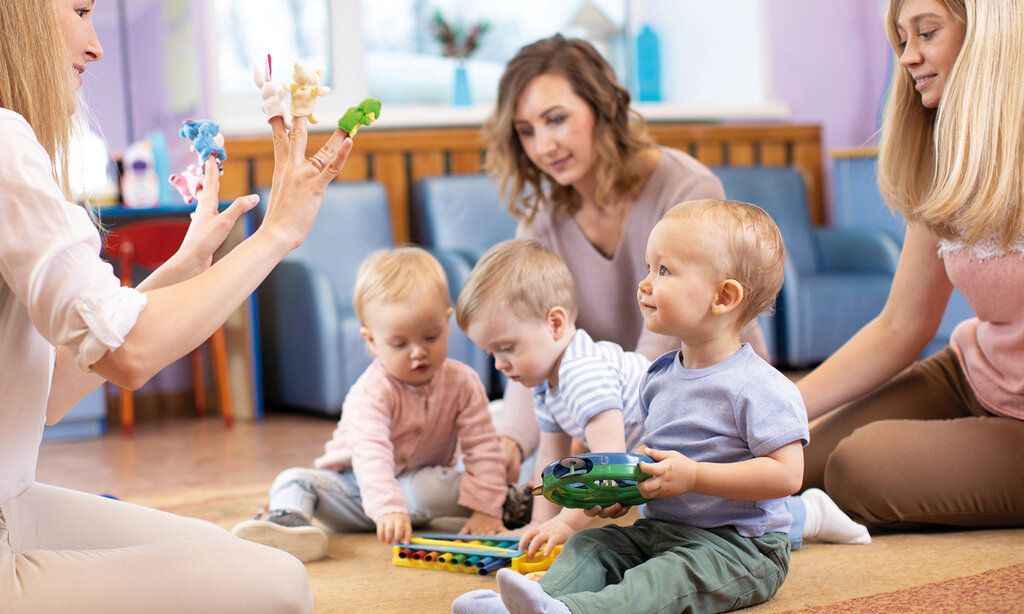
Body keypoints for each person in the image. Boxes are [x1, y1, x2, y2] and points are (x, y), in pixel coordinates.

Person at [1, 1, 355, 611]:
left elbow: (48, 391)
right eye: (81, 10)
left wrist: (181, 272)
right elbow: (131, 355)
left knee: (231, 558)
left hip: (13, 498)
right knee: (279, 587)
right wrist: (278, 232)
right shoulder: (4, 141)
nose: (96, 45)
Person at [454, 199, 807, 614]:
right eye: (647, 268)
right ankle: (536, 602)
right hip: (662, 528)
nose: (644, 284)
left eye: (664, 271)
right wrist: (623, 489)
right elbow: (647, 457)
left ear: (723, 296)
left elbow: (787, 475)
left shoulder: (761, 385)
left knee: (666, 577)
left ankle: (574, 611)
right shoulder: (659, 377)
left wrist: (693, 476)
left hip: (740, 547)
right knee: (592, 544)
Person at [482, 35, 769, 482]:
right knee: (491, 460)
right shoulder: (541, 224)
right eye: (526, 131)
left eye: (556, 120)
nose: (543, 146)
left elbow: (665, 343)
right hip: (600, 405)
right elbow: (527, 346)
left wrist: (595, 434)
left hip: (701, 396)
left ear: (605, 107)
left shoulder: (686, 189)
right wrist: (510, 443)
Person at [794, 0, 1024, 530]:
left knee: (860, 467)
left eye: (926, 33)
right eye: (902, 39)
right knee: (798, 459)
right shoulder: (948, 155)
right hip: (974, 372)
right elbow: (901, 325)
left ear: (992, 34)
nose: (908, 57)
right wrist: (770, 409)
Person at [233, 248, 509, 562]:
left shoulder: (464, 382)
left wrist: (487, 508)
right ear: (371, 341)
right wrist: (388, 508)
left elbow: (482, 446)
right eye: (400, 344)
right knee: (293, 478)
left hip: (419, 493)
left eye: (430, 337)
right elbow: (371, 455)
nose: (418, 352)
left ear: (447, 323)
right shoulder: (370, 392)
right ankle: (288, 523)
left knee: (438, 485)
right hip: (354, 491)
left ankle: (507, 502)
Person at [456, 239, 651, 557]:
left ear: (556, 324)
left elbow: (607, 464)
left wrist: (566, 524)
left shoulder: (581, 372)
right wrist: (539, 523)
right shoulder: (546, 382)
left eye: (507, 348)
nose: (499, 364)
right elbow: (550, 459)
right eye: (491, 353)